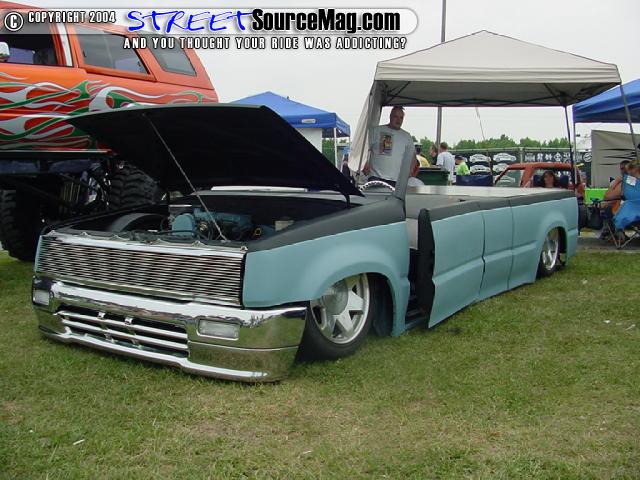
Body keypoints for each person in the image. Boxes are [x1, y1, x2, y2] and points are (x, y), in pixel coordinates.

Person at [363, 106, 415, 186]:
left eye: (401, 117)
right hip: (376, 177)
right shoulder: (376, 131)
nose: (398, 120)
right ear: (390, 116)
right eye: (395, 116)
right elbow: (364, 148)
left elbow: (413, 156)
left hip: (397, 180)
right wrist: (364, 163)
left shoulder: (407, 136)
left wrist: (410, 170)